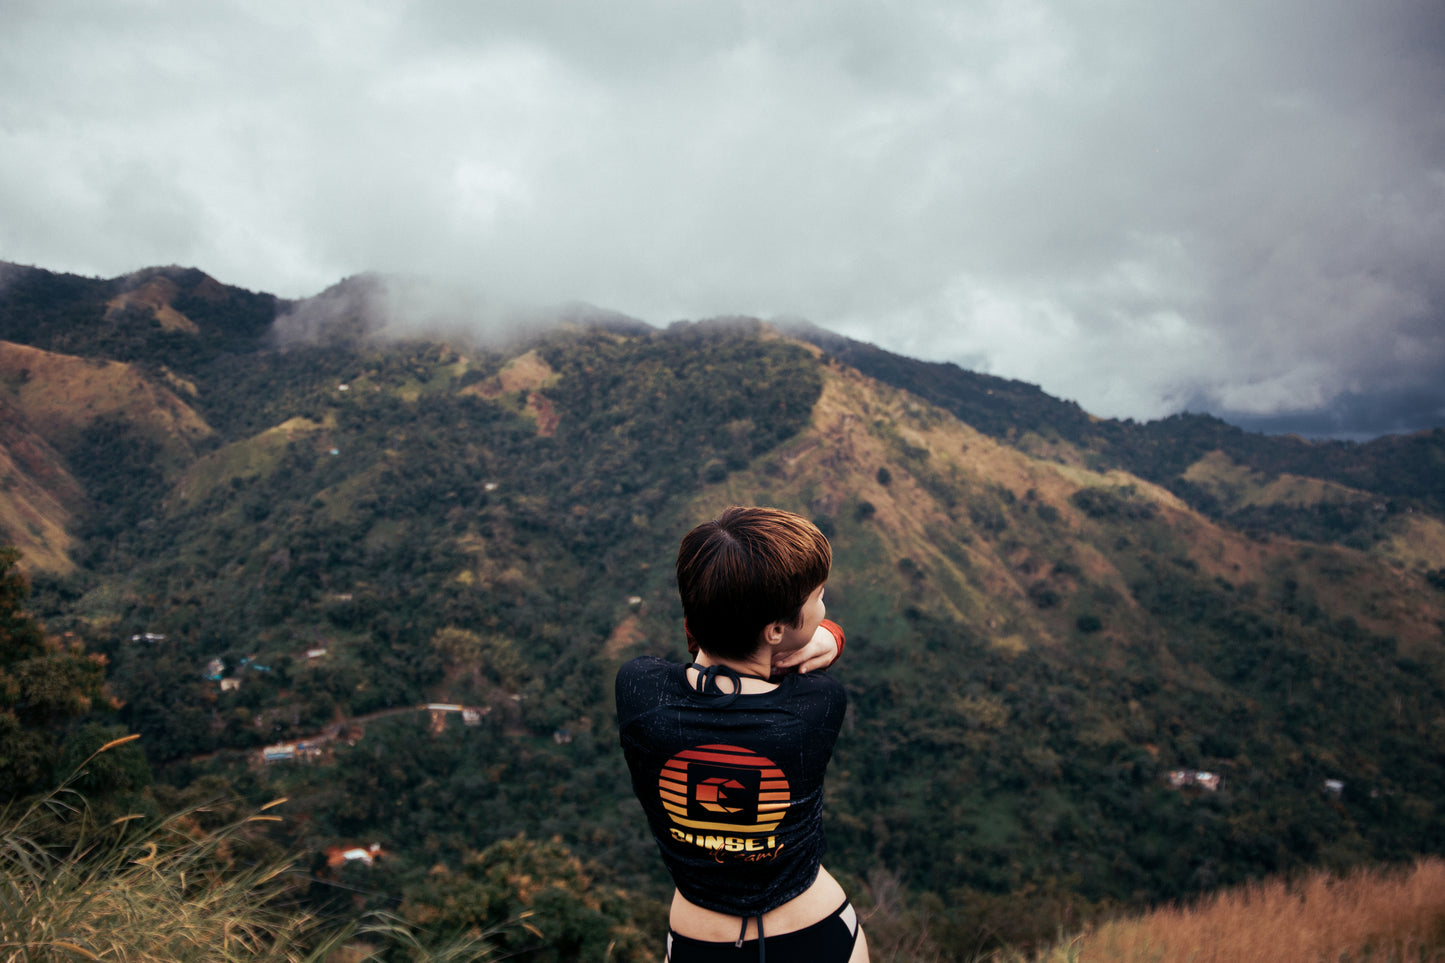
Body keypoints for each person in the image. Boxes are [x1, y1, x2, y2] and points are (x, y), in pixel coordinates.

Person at [616, 507, 869, 962]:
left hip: (699, 941)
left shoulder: (640, 696)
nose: (824, 607)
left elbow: (696, 646)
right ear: (775, 630)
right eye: (820, 598)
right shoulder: (818, 705)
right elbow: (795, 665)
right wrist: (830, 636)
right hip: (815, 930)